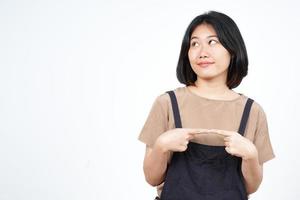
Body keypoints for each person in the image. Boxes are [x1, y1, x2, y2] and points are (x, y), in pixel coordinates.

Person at [138, 11, 275, 200]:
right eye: (194, 43)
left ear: (232, 50)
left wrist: (251, 155)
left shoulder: (252, 112)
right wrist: (161, 145)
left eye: (212, 42)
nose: (202, 52)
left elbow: (250, 187)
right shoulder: (167, 103)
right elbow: (152, 178)